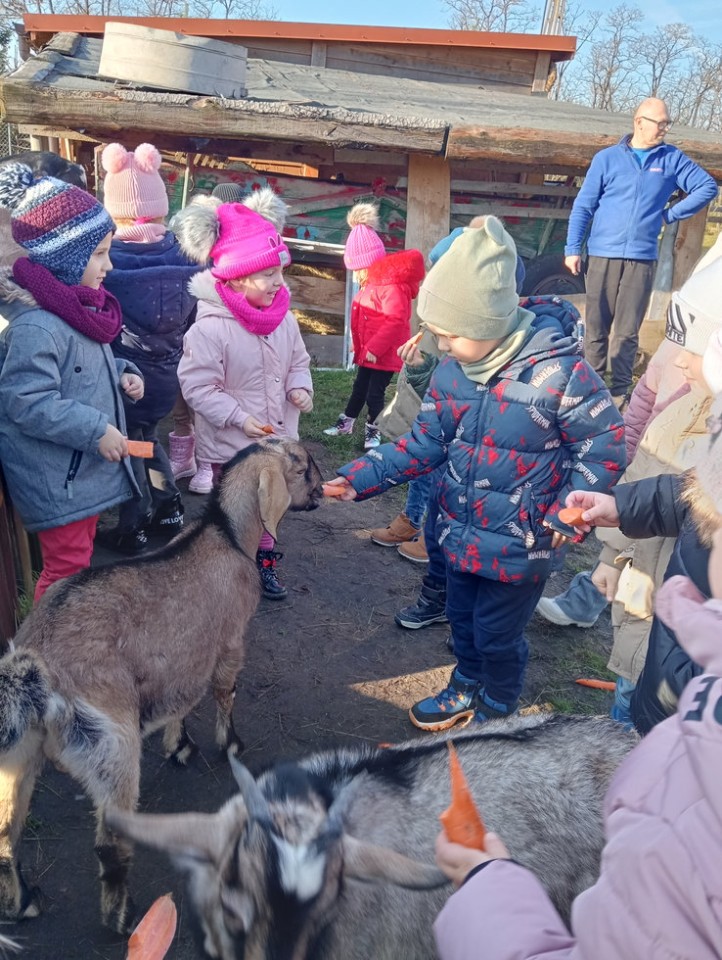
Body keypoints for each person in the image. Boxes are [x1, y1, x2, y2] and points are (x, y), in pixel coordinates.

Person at [433, 402, 722, 960]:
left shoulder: (692, 854)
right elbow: (686, 491)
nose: (701, 538)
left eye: (711, 533)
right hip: (666, 709)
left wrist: (488, 892)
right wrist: (623, 506)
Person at [328, 217, 626, 730]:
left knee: (497, 634)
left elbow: (603, 446)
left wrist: (572, 508)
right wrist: (361, 477)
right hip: (457, 532)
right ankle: (465, 683)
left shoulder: (561, 374)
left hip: (522, 542)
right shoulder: (452, 372)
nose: (441, 346)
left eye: (450, 335)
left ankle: (499, 703)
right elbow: (424, 443)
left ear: (488, 324)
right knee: (463, 624)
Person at [0, 162, 142, 602]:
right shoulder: (37, 326)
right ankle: (48, 639)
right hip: (59, 478)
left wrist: (123, 373)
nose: (109, 265)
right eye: (99, 254)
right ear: (67, 258)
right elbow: (27, 401)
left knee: (77, 562)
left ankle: (66, 631)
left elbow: (82, 368)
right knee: (65, 569)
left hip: (77, 474)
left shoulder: (75, 309)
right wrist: (95, 429)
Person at [174, 188, 313, 600]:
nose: (278, 281)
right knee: (236, 512)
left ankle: (263, 562)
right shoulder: (210, 328)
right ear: (236, 276)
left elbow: (299, 360)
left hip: (276, 441)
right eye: (267, 274)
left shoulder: (284, 319)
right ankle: (231, 566)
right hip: (231, 446)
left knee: (271, 506)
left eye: (280, 271)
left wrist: (299, 386)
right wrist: (238, 416)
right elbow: (198, 387)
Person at [564, 96, 717, 408]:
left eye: (666, 124)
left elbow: (706, 187)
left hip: (641, 257)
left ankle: (619, 395)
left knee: (627, 330)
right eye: (658, 123)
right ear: (639, 122)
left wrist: (669, 215)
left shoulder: (671, 159)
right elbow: (583, 206)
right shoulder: (607, 159)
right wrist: (572, 248)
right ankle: (590, 390)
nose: (663, 129)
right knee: (596, 326)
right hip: (603, 253)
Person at [96, 142, 199, 554]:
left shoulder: (107, 263)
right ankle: (169, 506)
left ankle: (133, 525)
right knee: (147, 438)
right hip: (167, 375)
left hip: (127, 378)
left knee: (129, 447)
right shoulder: (185, 259)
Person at [323, 202, 425, 450]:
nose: (356, 275)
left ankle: (373, 431)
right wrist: (358, 345)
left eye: (359, 269)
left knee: (375, 393)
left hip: (384, 353)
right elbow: (365, 319)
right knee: (359, 387)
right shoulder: (371, 285)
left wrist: (375, 348)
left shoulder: (391, 287)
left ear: (370, 263)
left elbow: (395, 320)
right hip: (369, 352)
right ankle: (347, 422)